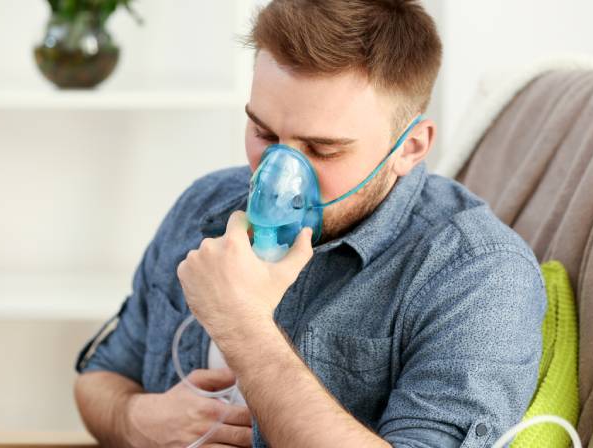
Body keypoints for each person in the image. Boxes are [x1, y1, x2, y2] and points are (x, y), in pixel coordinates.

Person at [73, 1, 547, 446]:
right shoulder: (207, 205)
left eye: (323, 149)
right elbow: (100, 378)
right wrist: (137, 421)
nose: (276, 174)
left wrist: (242, 324)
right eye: (264, 133)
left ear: (410, 147)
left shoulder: (477, 275)